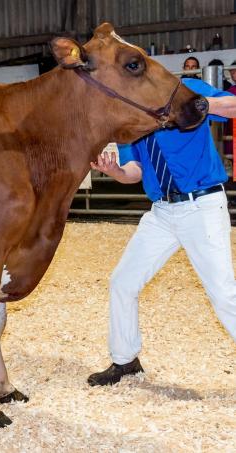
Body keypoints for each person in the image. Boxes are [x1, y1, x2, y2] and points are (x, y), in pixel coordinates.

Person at [87, 77, 236, 386]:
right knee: (122, 282)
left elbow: (233, 107)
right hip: (162, 214)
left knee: (223, 294)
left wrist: (201, 105)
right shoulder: (129, 122)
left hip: (202, 206)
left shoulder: (182, 88)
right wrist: (115, 171)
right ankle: (125, 360)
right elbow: (135, 172)